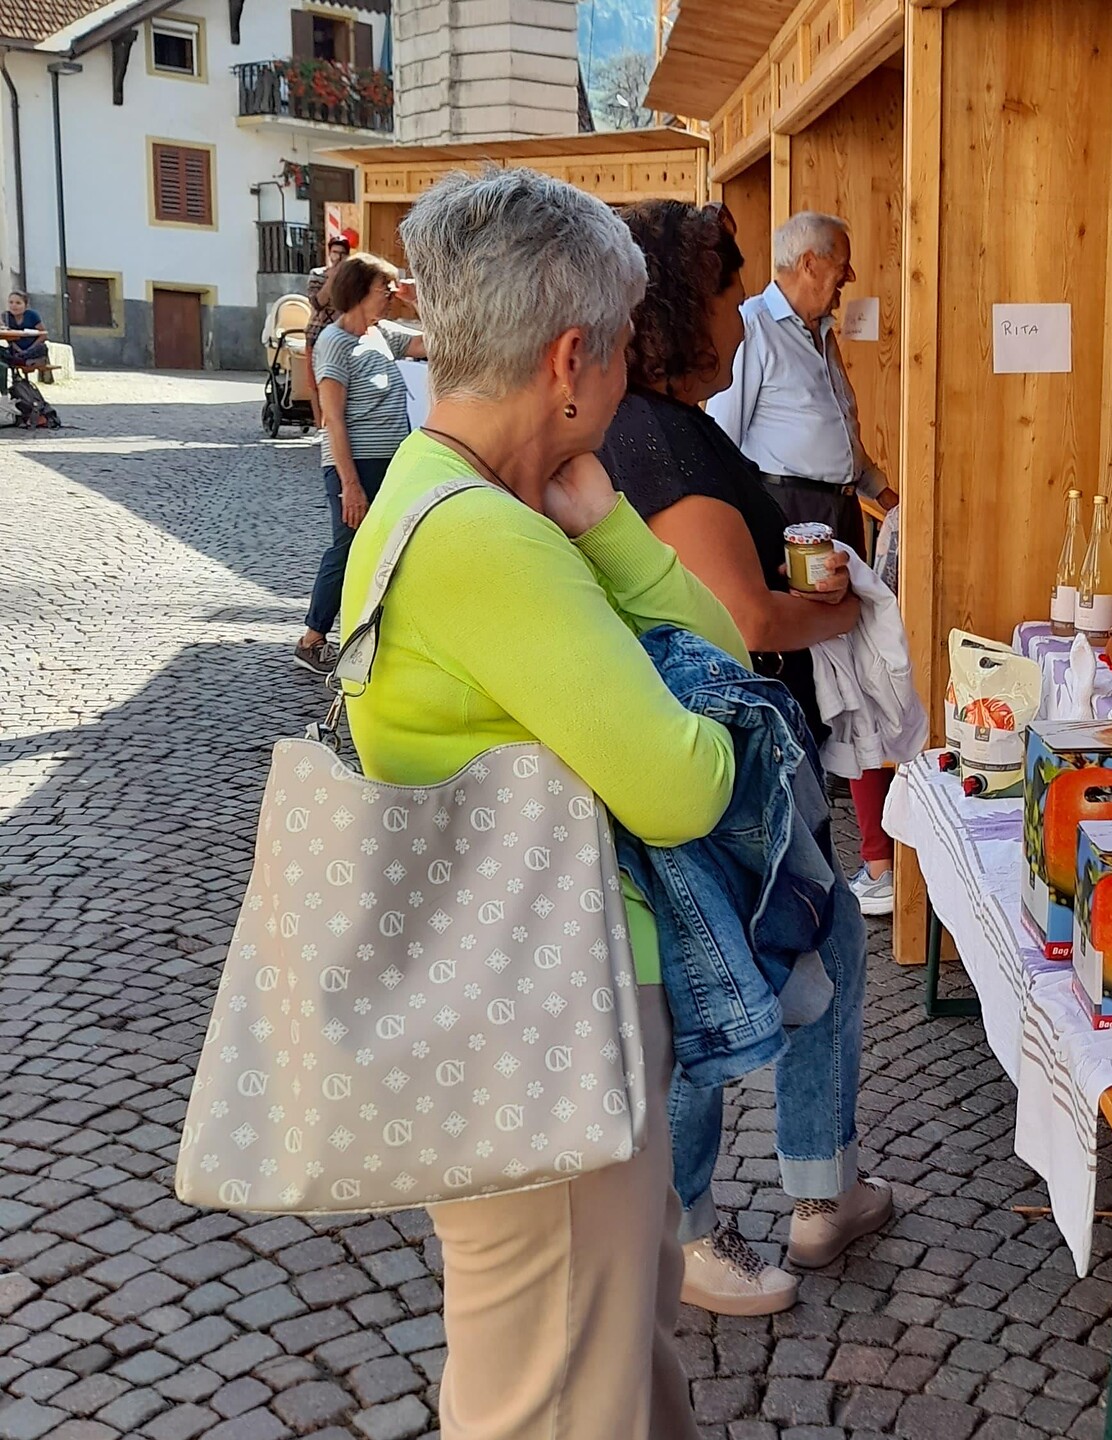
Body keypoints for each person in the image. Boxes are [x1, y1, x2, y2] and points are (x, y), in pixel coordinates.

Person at [340, 167, 735, 1440]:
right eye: (617, 351)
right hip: (550, 1009)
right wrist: (612, 544)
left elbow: (721, 661)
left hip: (512, 996)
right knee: (556, 1398)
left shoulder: (434, 491)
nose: (621, 383)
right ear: (573, 358)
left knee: (604, 1357)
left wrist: (604, 524)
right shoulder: (491, 541)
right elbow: (690, 778)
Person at [601, 199, 893, 1317]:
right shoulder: (658, 437)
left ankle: (823, 1190)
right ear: (686, 307)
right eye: (728, 292)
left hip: (733, 750)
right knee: (710, 991)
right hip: (718, 760)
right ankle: (689, 1233)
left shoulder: (666, 422)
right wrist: (844, 614)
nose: (741, 311)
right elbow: (742, 619)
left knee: (827, 949)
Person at [707, 211, 902, 917]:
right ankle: (793, 853)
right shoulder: (757, 327)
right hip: (788, 514)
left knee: (848, 667)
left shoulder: (820, 334)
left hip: (837, 509)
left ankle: (855, 849)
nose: (850, 276)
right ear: (809, 262)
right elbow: (723, 439)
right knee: (805, 673)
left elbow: (841, 436)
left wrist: (882, 490)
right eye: (841, 262)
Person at [295, 253, 426, 675]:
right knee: (348, 547)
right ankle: (312, 638)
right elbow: (333, 419)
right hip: (355, 464)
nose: (389, 295)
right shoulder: (335, 342)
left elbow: (439, 343)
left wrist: (418, 300)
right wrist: (350, 485)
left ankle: (375, 635)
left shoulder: (380, 333)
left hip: (391, 462)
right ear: (358, 291)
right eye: (383, 288)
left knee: (390, 547)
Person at [303, 235, 352, 419]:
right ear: (329, 253)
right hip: (317, 333)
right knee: (315, 382)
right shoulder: (317, 274)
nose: (337, 257)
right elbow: (317, 303)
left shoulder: (350, 279)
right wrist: (332, 279)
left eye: (342, 254)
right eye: (334, 252)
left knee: (338, 381)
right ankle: (318, 425)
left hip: (341, 335)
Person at [1, 291, 49, 373]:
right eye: (11, 302)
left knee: (42, 348)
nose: (14, 305)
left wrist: (29, 349)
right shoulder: (6, 316)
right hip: (15, 349)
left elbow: (43, 335)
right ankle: (22, 361)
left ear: (25, 305)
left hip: (32, 348)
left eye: (18, 303)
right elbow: (7, 337)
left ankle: (22, 360)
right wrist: (19, 350)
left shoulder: (32, 315)